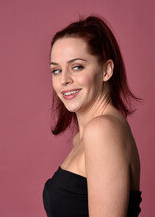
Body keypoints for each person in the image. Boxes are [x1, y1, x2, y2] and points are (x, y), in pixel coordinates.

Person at [43, 15, 142, 217]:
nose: (64, 80)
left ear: (106, 70)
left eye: (77, 67)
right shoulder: (85, 136)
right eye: (56, 70)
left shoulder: (101, 131)